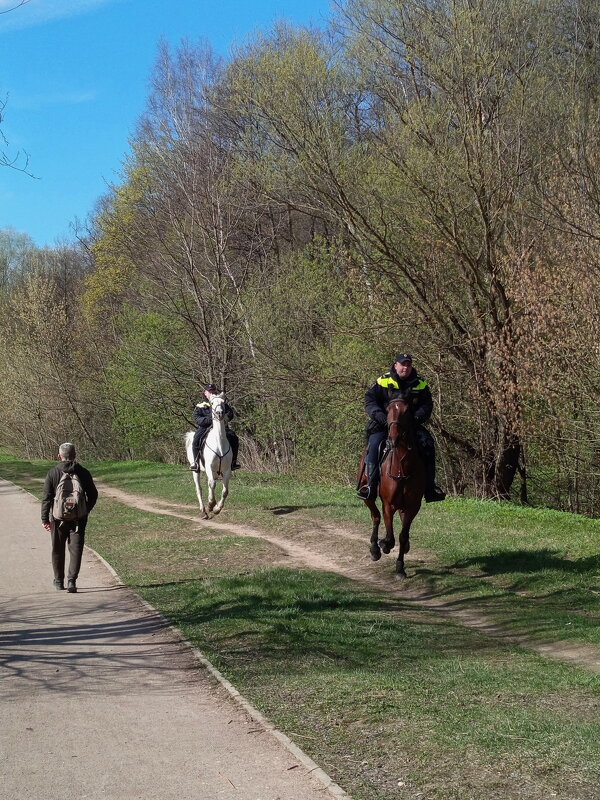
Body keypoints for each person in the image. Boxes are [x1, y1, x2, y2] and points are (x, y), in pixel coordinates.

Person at [358, 353, 446, 503]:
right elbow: (370, 400)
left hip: (411, 426)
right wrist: (379, 415)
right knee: (373, 445)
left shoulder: (420, 383)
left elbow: (427, 404)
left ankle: (430, 489)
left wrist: (417, 417)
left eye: (408, 365)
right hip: (383, 424)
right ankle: (370, 486)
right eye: (402, 364)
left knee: (429, 445)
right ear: (395, 365)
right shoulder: (383, 381)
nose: (405, 368)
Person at [41, 442, 98, 593]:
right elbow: (93, 494)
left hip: (58, 519)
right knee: (76, 549)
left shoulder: (53, 473)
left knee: (57, 549)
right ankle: (72, 581)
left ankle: (58, 581)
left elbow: (47, 498)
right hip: (78, 519)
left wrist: (44, 519)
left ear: (59, 456)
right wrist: (85, 509)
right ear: (75, 455)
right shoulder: (83, 472)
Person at [190, 384, 240, 472]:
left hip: (221, 427)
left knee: (234, 437)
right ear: (205, 393)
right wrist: (210, 420)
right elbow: (197, 418)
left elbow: (230, 413)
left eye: (213, 391)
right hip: (205, 427)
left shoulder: (221, 402)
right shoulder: (200, 405)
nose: (211, 393)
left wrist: (224, 419)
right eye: (209, 391)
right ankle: (196, 463)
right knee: (196, 440)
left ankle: (233, 462)